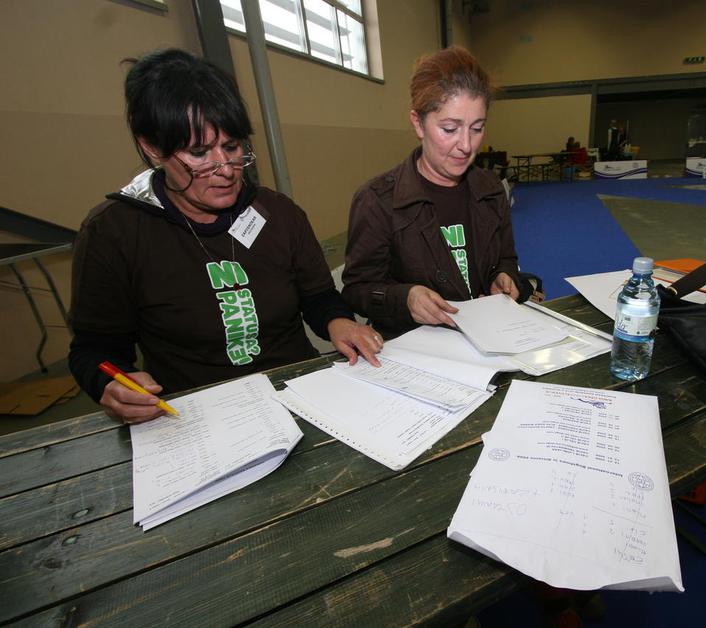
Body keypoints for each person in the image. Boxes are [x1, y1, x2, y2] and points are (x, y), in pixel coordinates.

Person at [69, 49, 381, 424]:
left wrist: (338, 322)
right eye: (199, 152)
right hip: (194, 414)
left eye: (232, 147)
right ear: (152, 147)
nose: (226, 169)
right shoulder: (113, 232)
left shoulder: (278, 214)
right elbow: (94, 349)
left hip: (297, 393)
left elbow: (318, 297)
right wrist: (110, 384)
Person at [342, 46, 531, 339]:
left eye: (477, 128)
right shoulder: (378, 200)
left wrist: (503, 277)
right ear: (418, 123)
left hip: (486, 336)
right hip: (415, 346)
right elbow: (357, 290)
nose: (466, 145)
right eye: (450, 128)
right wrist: (405, 298)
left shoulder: (491, 189)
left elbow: (506, 257)